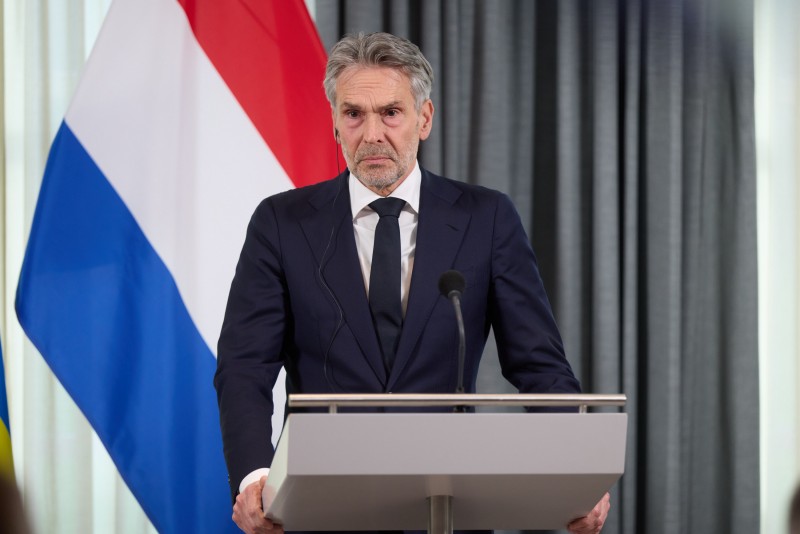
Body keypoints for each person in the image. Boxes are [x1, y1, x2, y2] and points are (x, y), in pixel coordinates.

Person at [215, 32, 610, 534]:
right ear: (334, 122)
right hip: (322, 508)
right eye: (354, 114)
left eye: (391, 113)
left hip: (448, 506)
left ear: (424, 119)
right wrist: (254, 478)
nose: (372, 134)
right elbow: (244, 367)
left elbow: (540, 365)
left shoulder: (486, 218)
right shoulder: (281, 222)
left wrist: (576, 471)